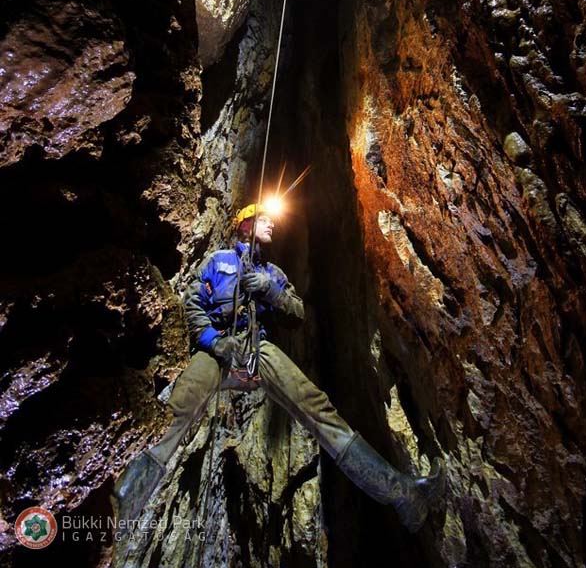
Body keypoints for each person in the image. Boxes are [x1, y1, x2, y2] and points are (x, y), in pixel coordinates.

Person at [112, 203, 445, 533]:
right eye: (262, 219)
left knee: (318, 408)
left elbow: (297, 315)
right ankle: (119, 508)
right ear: (243, 225)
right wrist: (214, 341)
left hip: (258, 348)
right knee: (176, 412)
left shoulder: (272, 273)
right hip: (219, 348)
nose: (270, 224)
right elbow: (192, 304)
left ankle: (402, 493)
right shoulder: (219, 261)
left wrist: (270, 291)